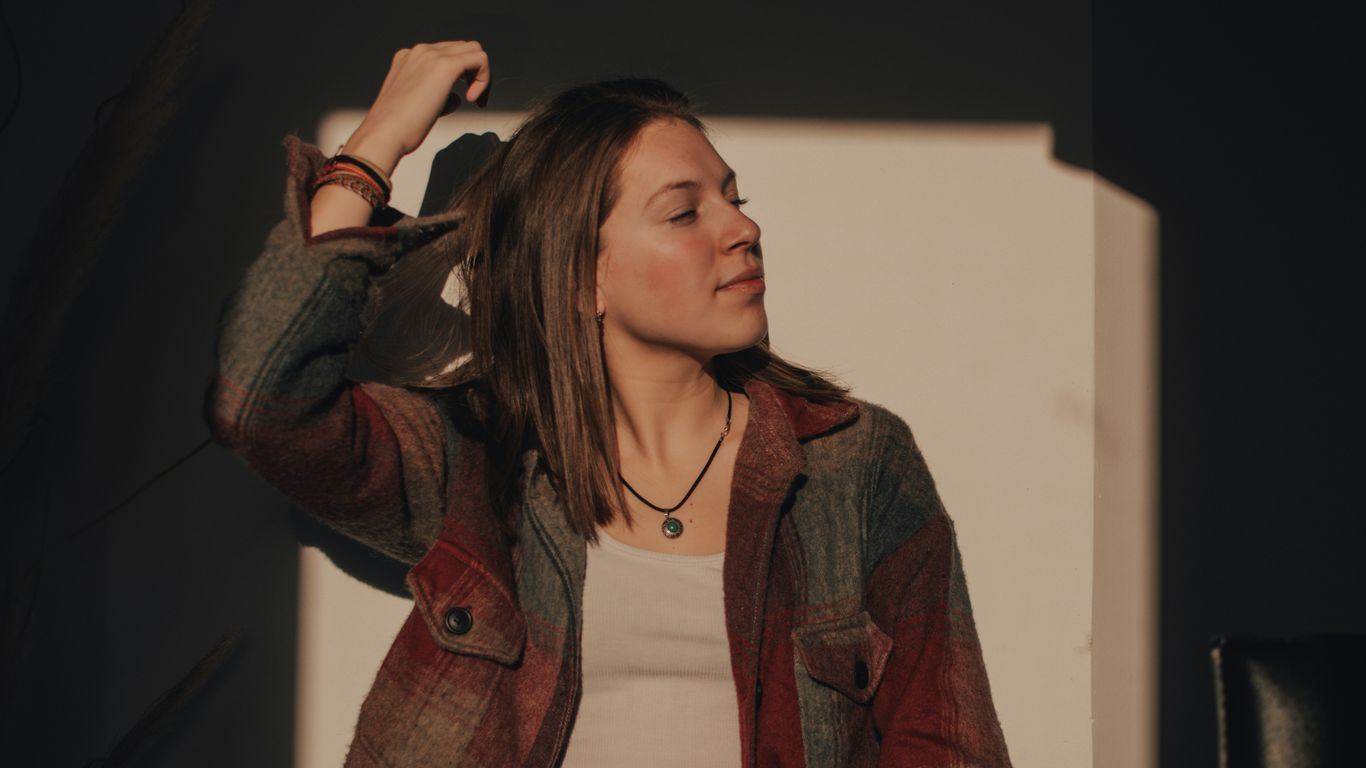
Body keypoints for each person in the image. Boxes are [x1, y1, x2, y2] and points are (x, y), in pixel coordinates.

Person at [207, 39, 1012, 767]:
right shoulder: (480, 460)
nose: (742, 227)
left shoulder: (852, 461)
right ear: (578, 278)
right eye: (685, 211)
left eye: (735, 196)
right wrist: (376, 141)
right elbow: (266, 401)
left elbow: (948, 740)